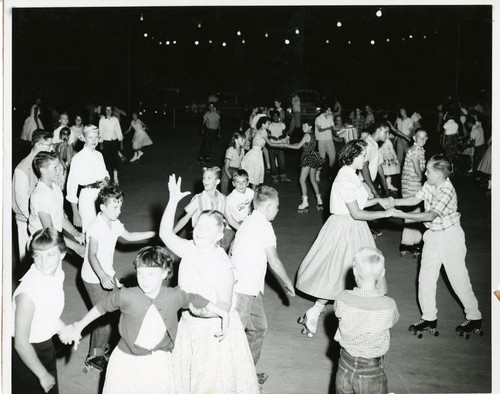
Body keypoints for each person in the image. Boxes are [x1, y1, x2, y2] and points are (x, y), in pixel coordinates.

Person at [59, 246, 227, 394]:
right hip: (127, 359)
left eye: (151, 273)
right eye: (140, 273)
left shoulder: (174, 296)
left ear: (165, 273)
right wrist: (78, 326)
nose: (145, 279)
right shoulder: (127, 295)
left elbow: (195, 298)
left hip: (157, 360)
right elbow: (101, 307)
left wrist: (223, 314)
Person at [160, 174, 260, 393]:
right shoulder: (189, 249)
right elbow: (165, 234)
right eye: (198, 227)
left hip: (211, 334)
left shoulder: (223, 264)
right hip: (188, 328)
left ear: (219, 235)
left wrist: (203, 312)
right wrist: (173, 200)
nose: (199, 232)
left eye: (207, 229)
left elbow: (224, 305)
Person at [296, 140, 393, 337]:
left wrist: (379, 200)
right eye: (363, 155)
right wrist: (384, 214)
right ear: (353, 156)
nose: (365, 159)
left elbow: (359, 203)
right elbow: (356, 213)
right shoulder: (345, 179)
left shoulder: (352, 174)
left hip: (354, 228)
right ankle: (324, 316)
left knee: (348, 275)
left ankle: (317, 313)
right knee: (336, 273)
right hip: (344, 227)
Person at [382, 155, 482, 336]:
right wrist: (392, 201)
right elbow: (414, 200)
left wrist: (399, 214)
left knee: (458, 279)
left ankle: (474, 316)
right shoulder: (430, 184)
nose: (425, 172)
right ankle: (428, 317)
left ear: (438, 174)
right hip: (432, 236)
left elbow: (430, 215)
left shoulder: (447, 190)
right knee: (425, 278)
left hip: (450, 237)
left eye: (428, 170)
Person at [80, 186, 156, 370]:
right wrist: (103, 275)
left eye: (120, 206)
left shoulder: (114, 223)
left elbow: (129, 236)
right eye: (115, 207)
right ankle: (94, 356)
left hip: (107, 274)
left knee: (115, 309)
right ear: (102, 207)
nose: (119, 211)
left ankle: (101, 347)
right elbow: (92, 255)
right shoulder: (96, 227)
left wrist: (155, 234)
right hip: (94, 277)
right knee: (104, 315)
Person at [231, 185, 295, 386]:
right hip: (242, 289)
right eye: (276, 206)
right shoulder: (264, 227)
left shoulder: (248, 221)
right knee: (233, 335)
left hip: (251, 288)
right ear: (268, 207)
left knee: (258, 328)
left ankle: (246, 373)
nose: (278, 209)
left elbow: (232, 247)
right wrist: (288, 283)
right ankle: (231, 380)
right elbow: (274, 260)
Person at [334, 247, 399, 394]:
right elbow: (393, 321)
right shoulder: (389, 304)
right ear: (382, 274)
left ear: (355, 272)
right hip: (372, 369)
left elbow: (339, 314)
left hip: (344, 363)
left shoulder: (342, 298)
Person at [12, 228, 69, 394]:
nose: (44, 261)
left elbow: (46, 310)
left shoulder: (56, 274)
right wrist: (42, 375)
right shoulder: (27, 293)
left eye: (50, 254)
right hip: (25, 354)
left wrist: (63, 329)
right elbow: (21, 344)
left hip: (44, 345)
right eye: (38, 255)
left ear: (62, 254)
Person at [29, 151, 85, 257]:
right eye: (55, 167)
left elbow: (59, 216)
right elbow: (49, 232)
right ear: (43, 171)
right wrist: (75, 246)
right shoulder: (40, 196)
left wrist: (74, 232)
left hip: (55, 241)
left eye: (59, 166)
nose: (59, 170)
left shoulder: (55, 188)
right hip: (42, 247)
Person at [13, 129, 54, 264]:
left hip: (40, 220)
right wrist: (37, 222)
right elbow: (22, 202)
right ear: (37, 145)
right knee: (29, 261)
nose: (52, 148)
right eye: (49, 145)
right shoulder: (22, 169)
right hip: (26, 221)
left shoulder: (42, 164)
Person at [66, 125, 109, 233]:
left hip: (101, 195)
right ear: (84, 138)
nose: (94, 140)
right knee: (91, 232)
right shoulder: (77, 158)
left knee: (103, 230)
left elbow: (106, 174)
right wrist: (75, 213)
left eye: (96, 137)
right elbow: (71, 187)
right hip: (87, 197)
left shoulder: (99, 155)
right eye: (90, 137)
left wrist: (106, 181)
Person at [285, 120, 325, 213]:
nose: (304, 128)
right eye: (303, 126)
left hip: (307, 158)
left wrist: (287, 145)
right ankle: (319, 200)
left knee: (302, 180)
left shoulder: (306, 135)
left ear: (310, 127)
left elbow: (298, 146)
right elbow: (303, 145)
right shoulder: (312, 135)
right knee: (313, 180)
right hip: (313, 157)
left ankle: (305, 202)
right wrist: (291, 144)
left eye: (305, 126)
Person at [172, 166, 226, 235]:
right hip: (201, 235)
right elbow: (185, 218)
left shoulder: (222, 198)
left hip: (216, 236)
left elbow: (227, 218)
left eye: (209, 178)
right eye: (204, 178)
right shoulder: (198, 198)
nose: (205, 181)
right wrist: (171, 234)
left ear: (217, 181)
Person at [399, 129, 428, 256]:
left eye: (424, 138)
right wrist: (427, 183)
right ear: (414, 138)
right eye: (419, 137)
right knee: (414, 215)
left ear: (426, 139)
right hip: (412, 187)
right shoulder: (416, 150)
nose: (421, 140)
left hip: (408, 186)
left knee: (412, 215)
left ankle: (408, 243)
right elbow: (418, 170)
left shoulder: (417, 149)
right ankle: (412, 242)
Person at [241, 116, 287, 190]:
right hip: (255, 155)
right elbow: (270, 144)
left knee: (254, 174)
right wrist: (283, 144)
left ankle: (251, 193)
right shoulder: (263, 131)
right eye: (267, 123)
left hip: (257, 154)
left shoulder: (261, 130)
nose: (269, 124)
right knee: (254, 174)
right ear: (263, 124)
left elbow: (268, 140)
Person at [223, 169, 254, 252]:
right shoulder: (230, 199)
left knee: (244, 245)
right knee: (225, 245)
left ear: (248, 183)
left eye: (243, 182)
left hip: (245, 222)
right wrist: (242, 230)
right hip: (232, 225)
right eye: (238, 182)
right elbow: (230, 220)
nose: (241, 184)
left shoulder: (251, 193)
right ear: (233, 183)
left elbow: (255, 208)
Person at [99, 106, 124, 185]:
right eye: (107, 110)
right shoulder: (102, 120)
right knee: (107, 160)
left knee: (115, 159)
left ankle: (116, 178)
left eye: (110, 110)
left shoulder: (115, 119)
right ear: (105, 111)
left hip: (114, 142)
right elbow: (100, 132)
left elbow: (118, 131)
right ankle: (107, 178)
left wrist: (121, 142)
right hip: (106, 142)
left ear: (112, 111)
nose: (109, 111)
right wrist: (101, 143)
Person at [267, 110, 291, 184]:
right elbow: (268, 135)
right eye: (274, 116)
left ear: (279, 117)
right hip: (272, 145)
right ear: (272, 117)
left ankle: (283, 176)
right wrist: (272, 137)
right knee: (273, 162)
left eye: (277, 116)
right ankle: (275, 178)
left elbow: (284, 134)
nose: (275, 117)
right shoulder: (270, 125)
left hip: (280, 145)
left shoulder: (282, 125)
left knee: (282, 162)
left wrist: (281, 136)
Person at [315, 105, 336, 182]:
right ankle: (317, 174)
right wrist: (328, 128)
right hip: (321, 140)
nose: (330, 112)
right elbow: (319, 129)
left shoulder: (330, 117)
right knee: (322, 158)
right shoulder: (318, 118)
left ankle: (330, 174)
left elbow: (333, 128)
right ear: (325, 111)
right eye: (329, 110)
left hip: (329, 139)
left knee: (333, 157)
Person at [53, 126, 74, 191]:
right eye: (64, 134)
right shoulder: (63, 145)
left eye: (67, 134)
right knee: (60, 187)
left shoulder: (58, 143)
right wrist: (67, 168)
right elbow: (60, 158)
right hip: (62, 167)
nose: (65, 136)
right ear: (60, 135)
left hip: (58, 166)